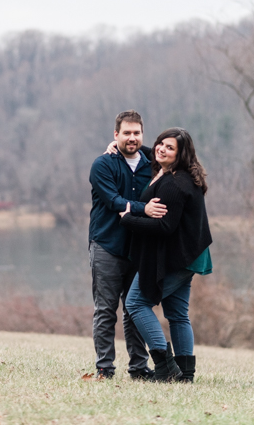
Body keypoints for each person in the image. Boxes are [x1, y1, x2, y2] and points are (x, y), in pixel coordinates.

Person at [119, 127, 212, 382]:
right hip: (189, 253)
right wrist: (118, 147)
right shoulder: (179, 173)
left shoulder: (173, 183)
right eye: (160, 143)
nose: (161, 149)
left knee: (136, 303)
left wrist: (128, 219)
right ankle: (185, 374)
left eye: (170, 147)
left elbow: (165, 226)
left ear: (181, 155)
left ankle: (166, 366)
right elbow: (152, 154)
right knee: (177, 312)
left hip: (180, 255)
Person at [88, 110, 167, 380]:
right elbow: (113, 201)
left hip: (139, 250)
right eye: (126, 133)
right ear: (115, 135)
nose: (131, 138)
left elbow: (173, 156)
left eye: (136, 133)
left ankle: (138, 368)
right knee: (106, 310)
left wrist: (145, 149)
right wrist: (145, 209)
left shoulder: (151, 165)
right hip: (107, 246)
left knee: (134, 309)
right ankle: (104, 368)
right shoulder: (103, 164)